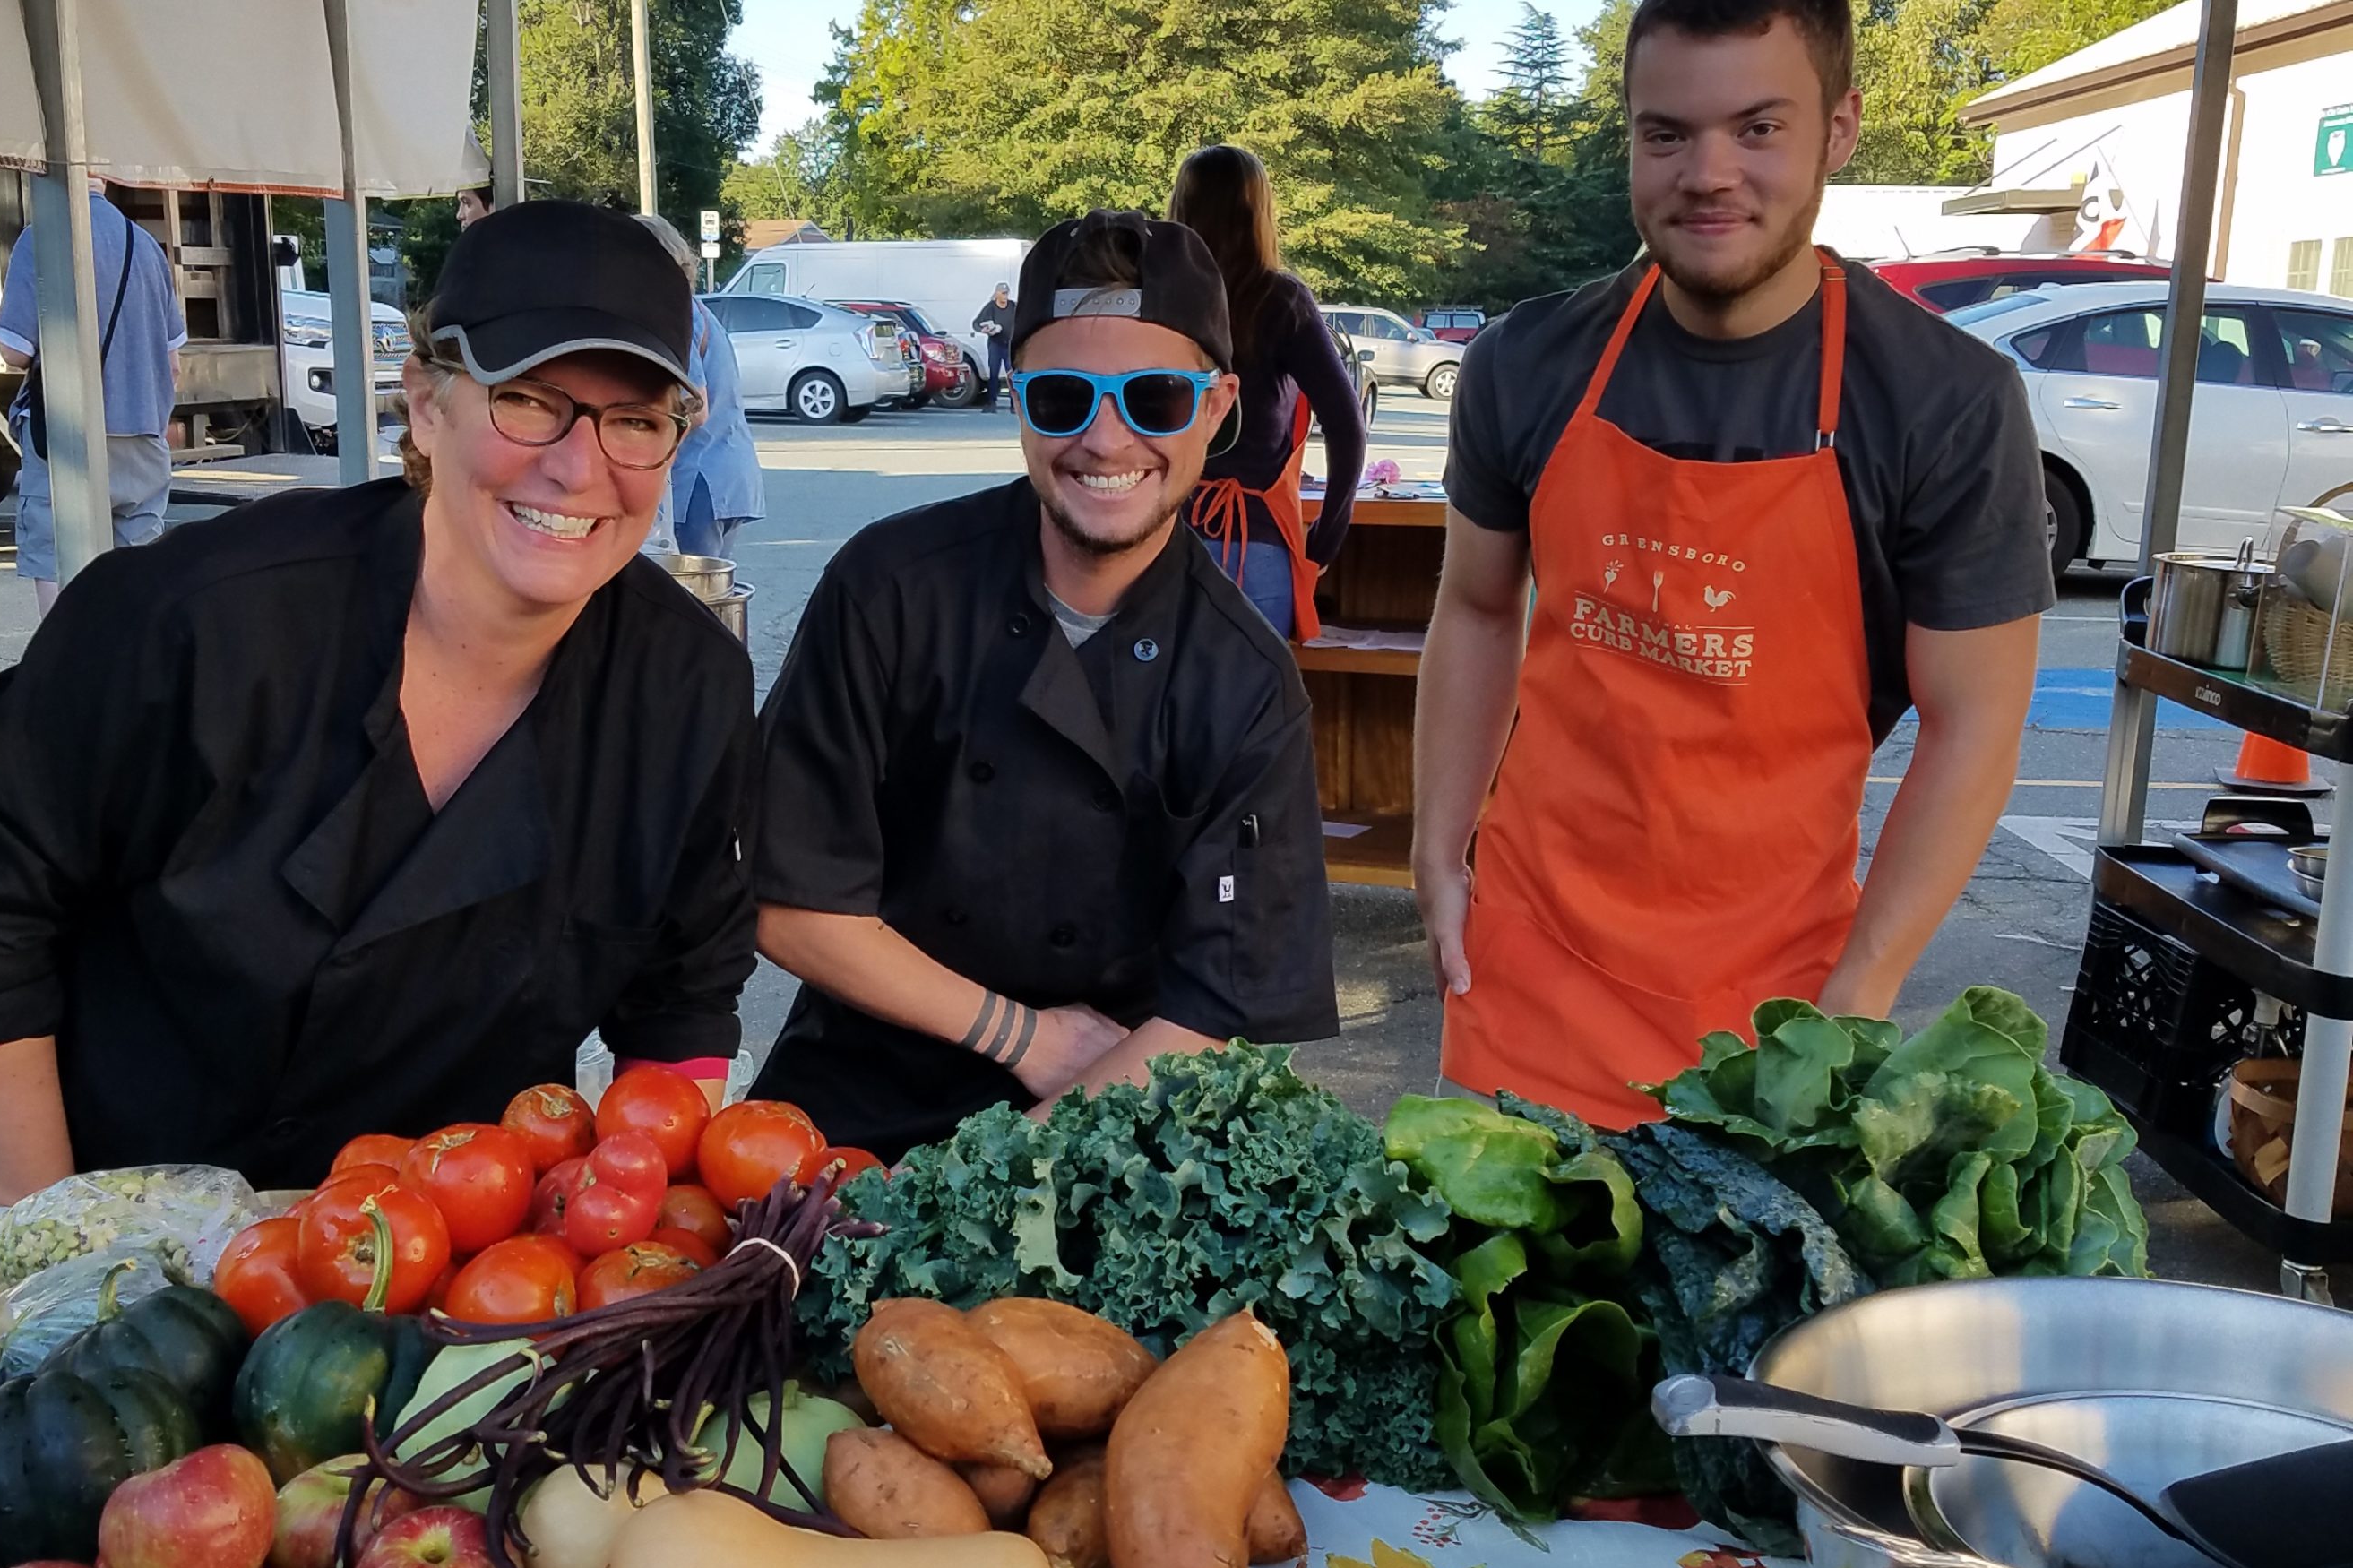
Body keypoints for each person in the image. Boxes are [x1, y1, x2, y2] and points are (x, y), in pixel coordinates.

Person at [0, 202, 758, 1204]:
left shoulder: (687, 690)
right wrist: (43, 1230)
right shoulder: (196, 619)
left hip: (436, 1258)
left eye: (637, 421)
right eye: (529, 400)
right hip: (109, 1213)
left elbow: (685, 1000)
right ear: (426, 403)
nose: (578, 463)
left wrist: (644, 1252)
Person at [1411, 0, 2048, 1127]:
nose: (1709, 173)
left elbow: (1974, 724)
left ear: (1839, 130)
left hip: (1778, 1016)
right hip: (1526, 970)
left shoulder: (1945, 401)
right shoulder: (1526, 362)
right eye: (1667, 134)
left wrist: (1861, 992)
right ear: (1631, 140)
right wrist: (1436, 846)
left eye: (1758, 128)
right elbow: (1472, 608)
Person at [749, 210, 1339, 1162]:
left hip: (1103, 1117)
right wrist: (1021, 1035)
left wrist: (979, 1188)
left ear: (1219, 405)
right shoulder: (891, 586)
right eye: (1063, 398)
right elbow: (789, 898)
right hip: (856, 1100)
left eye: (1154, 398)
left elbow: (1217, 1005)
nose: (1106, 441)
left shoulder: (1245, 682)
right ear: (1017, 397)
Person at [1168, 143, 1366, 639]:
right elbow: (1347, 426)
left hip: (1159, 542)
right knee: (1252, 712)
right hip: (1254, 549)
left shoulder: (1160, 299)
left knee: (1152, 712)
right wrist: (1323, 540)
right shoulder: (1281, 300)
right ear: (1257, 212)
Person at [0, 185, 185, 616]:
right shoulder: (145, 243)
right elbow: (173, 363)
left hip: (66, 436)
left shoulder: (42, 238)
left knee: (57, 558)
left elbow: (15, 350)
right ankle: (136, 674)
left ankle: (68, 678)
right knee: (139, 569)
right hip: (142, 435)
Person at [634, 215, 763, 559]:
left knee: (690, 596)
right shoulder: (698, 309)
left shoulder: (678, 314)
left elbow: (697, 408)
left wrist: (643, 450)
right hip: (728, 476)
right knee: (712, 592)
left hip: (700, 479)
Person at [973, 281, 1015, 411]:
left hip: (1009, 345)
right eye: (1002, 293)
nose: (1005, 296)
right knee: (994, 374)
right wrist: (985, 330)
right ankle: (992, 402)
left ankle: (1014, 405)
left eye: (1006, 293)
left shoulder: (1013, 306)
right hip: (995, 345)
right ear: (997, 294)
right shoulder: (990, 308)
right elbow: (976, 323)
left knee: (1012, 375)